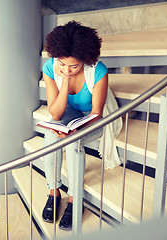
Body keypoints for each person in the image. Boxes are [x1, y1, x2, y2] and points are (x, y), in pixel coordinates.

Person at [41, 20, 121, 231]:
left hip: (94, 119)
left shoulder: (98, 71)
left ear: (84, 60)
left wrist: (77, 131)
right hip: (70, 113)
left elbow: (96, 113)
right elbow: (56, 112)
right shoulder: (50, 68)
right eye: (62, 64)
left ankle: (76, 200)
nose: (67, 69)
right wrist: (66, 80)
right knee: (50, 136)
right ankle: (54, 192)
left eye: (73, 66)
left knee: (72, 142)